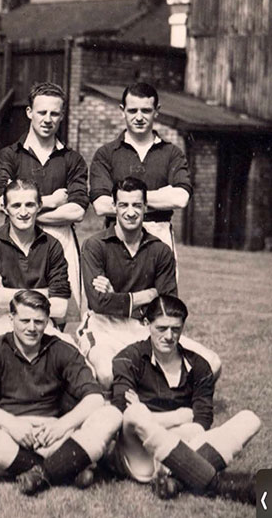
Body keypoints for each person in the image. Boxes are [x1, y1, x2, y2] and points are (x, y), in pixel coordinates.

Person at [0, 290, 121, 496]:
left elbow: (95, 398)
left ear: (47, 322)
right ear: (11, 319)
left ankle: (39, 472)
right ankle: (65, 468)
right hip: (8, 436)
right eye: (25, 320)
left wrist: (64, 425)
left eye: (38, 321)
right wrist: (12, 424)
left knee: (111, 415)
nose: (31, 328)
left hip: (52, 436)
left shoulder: (62, 349)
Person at [110, 295, 260, 505]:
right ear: (147, 324)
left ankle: (174, 480)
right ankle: (222, 485)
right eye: (161, 328)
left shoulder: (199, 366)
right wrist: (181, 416)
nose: (169, 336)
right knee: (136, 414)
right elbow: (124, 413)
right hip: (139, 455)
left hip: (184, 445)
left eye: (176, 329)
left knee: (250, 419)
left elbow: (202, 422)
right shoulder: (129, 358)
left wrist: (171, 423)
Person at [78, 176, 220, 387]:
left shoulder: (160, 250)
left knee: (212, 363)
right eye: (123, 205)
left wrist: (116, 297)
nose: (130, 212)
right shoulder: (95, 245)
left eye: (137, 205)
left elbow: (168, 305)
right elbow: (98, 303)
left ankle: (161, 398)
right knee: (108, 374)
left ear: (146, 207)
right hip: (102, 327)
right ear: (114, 207)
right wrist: (144, 296)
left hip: (145, 327)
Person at [0, 82, 87, 314]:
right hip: (17, 241)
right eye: (42, 112)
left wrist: (24, 211)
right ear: (29, 113)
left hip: (61, 239)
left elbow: (77, 211)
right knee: (16, 311)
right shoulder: (9, 155)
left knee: (61, 313)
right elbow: (3, 203)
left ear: (62, 116)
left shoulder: (72, 159)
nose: (48, 119)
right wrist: (52, 201)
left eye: (54, 113)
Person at [0, 179, 73, 360]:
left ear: (40, 206)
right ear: (5, 208)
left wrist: (4, 294)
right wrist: (46, 293)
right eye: (16, 205)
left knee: (72, 354)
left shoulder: (52, 245)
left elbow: (61, 307)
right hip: (1, 321)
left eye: (30, 205)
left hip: (41, 324)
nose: (23, 212)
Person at [89, 82, 190, 271]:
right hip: (117, 238)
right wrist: (160, 195)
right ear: (122, 110)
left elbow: (181, 197)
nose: (139, 117)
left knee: (161, 299)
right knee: (117, 299)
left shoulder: (172, 153)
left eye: (146, 111)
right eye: (133, 110)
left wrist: (123, 201)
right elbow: (101, 206)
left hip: (160, 234)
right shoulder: (106, 154)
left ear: (156, 111)